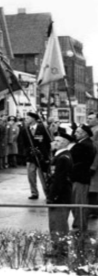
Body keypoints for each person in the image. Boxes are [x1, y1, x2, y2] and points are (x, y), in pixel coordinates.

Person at [45, 132, 74, 263]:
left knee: (59, 224)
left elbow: (59, 180)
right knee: (54, 224)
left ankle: (60, 250)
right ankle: (57, 248)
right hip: (58, 194)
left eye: (57, 141)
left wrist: (53, 196)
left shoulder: (63, 158)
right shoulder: (59, 156)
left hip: (60, 196)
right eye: (54, 140)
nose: (54, 143)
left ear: (64, 143)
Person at [69, 125, 96, 231]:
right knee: (78, 201)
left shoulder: (83, 145)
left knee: (78, 202)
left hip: (80, 178)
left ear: (84, 133)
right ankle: (79, 223)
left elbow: (75, 161)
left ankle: (80, 225)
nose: (75, 133)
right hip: (81, 177)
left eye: (77, 132)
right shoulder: (85, 143)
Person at [19, 111, 51, 200]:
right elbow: (22, 143)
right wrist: (27, 152)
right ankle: (34, 193)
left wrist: (46, 154)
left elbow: (48, 142)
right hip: (30, 156)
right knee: (31, 175)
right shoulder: (25, 129)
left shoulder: (43, 128)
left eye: (28, 118)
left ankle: (47, 193)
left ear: (33, 119)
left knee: (43, 176)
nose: (26, 120)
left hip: (41, 156)